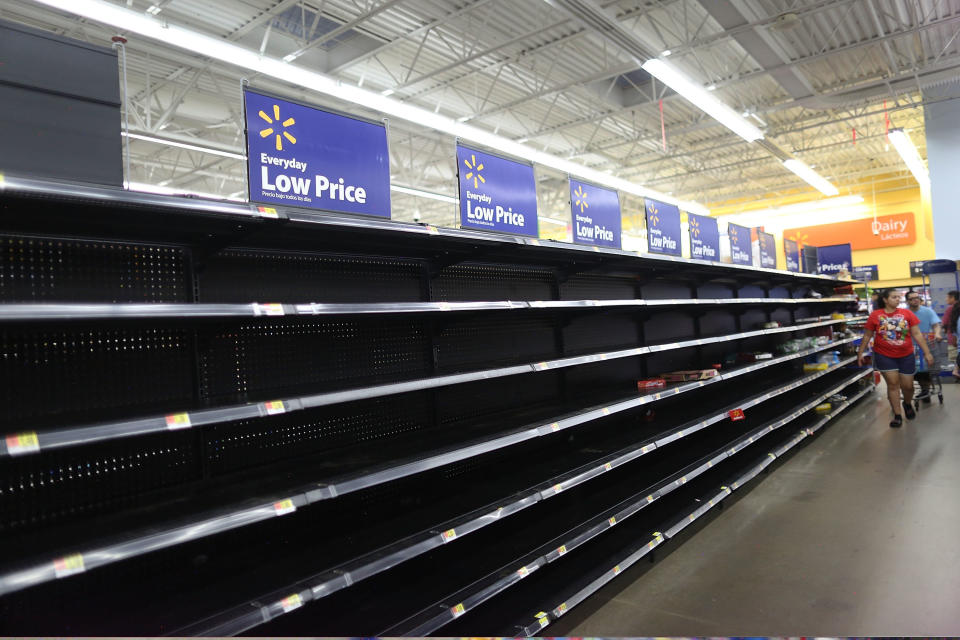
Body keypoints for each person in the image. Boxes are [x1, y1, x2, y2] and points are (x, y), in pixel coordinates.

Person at [858, 289, 934, 428]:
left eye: (899, 297)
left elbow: (917, 334)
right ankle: (898, 415)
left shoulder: (907, 313)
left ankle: (907, 403)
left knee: (908, 386)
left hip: (906, 355)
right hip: (884, 355)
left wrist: (927, 353)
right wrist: (860, 353)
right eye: (894, 297)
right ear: (885, 300)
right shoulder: (875, 315)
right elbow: (868, 335)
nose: (898, 299)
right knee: (893, 384)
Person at [905, 290, 941, 402]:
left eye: (917, 297)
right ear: (907, 301)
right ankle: (921, 389)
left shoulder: (928, 311)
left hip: (927, 344)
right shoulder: (904, 313)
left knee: (924, 367)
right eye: (912, 298)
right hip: (909, 345)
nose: (916, 300)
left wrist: (937, 333)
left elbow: (936, 325)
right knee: (912, 369)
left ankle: (925, 389)